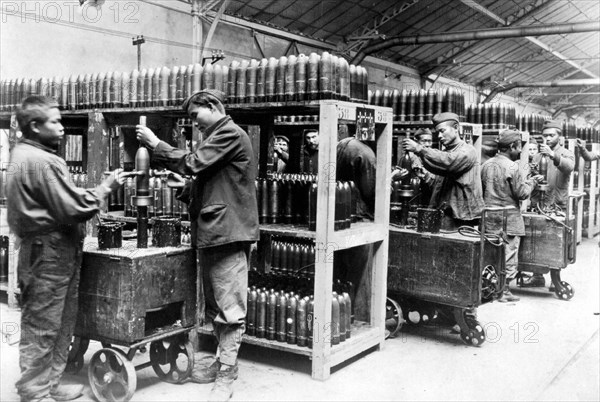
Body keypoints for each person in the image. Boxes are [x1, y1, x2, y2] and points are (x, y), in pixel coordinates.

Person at [136, 89, 258, 401]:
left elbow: (194, 163)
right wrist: (184, 189)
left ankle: (227, 373)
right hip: (214, 232)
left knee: (230, 308)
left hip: (228, 234)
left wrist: (156, 146)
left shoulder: (229, 133)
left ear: (213, 106)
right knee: (218, 306)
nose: (195, 124)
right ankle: (222, 362)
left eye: (195, 116)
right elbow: (208, 182)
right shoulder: (216, 137)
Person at [7, 95, 125, 402]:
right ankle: (34, 392)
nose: (61, 127)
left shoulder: (26, 154)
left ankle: (51, 383)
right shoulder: (43, 162)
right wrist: (104, 188)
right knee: (43, 325)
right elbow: (72, 207)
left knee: (61, 321)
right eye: (55, 121)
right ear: (35, 125)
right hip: (48, 252)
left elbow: (59, 199)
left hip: (53, 249)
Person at [481, 129, 543, 302]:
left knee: (491, 252)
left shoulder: (485, 165)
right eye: (518, 147)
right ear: (512, 147)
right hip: (509, 217)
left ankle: (490, 288)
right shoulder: (512, 166)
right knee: (509, 253)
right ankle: (504, 291)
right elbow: (522, 194)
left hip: (489, 215)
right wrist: (532, 182)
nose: (519, 151)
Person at [402, 112, 484, 230]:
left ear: (456, 128)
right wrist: (424, 175)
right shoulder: (447, 152)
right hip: (445, 213)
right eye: (437, 133)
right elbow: (439, 181)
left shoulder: (468, 151)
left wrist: (418, 149)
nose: (439, 136)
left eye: (442, 131)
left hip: (462, 217)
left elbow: (448, 163)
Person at [522, 120, 575, 288]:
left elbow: (569, 167)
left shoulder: (566, 153)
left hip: (557, 204)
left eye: (551, 135)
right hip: (539, 203)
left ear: (560, 136)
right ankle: (537, 276)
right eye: (545, 136)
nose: (547, 139)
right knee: (537, 239)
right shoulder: (538, 155)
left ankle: (555, 278)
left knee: (554, 241)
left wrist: (553, 155)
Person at [334, 130, 377, 321]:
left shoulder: (340, 144)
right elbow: (370, 191)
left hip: (338, 214)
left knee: (339, 270)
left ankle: (338, 315)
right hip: (360, 217)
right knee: (358, 271)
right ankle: (354, 317)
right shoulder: (365, 153)